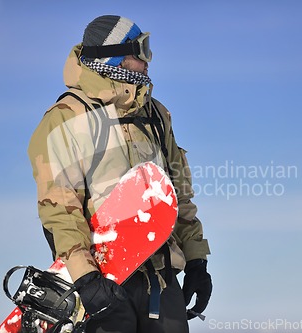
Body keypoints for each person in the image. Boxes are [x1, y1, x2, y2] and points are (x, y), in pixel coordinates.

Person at [28, 15, 212, 333]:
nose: (147, 59)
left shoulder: (156, 114)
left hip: (161, 279)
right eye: (141, 50)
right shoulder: (66, 118)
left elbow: (177, 193)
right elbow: (60, 209)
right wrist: (85, 278)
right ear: (112, 57)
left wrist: (196, 260)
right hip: (103, 281)